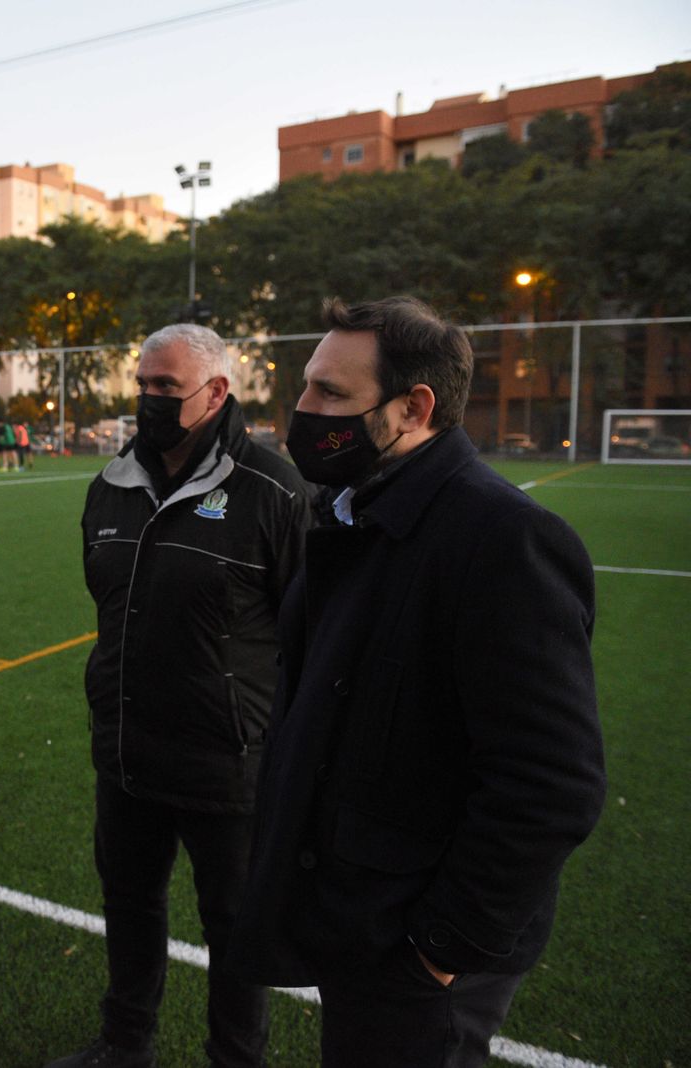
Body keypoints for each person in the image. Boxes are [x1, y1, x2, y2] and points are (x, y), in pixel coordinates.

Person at [230, 297, 606, 1067]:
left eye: (331, 394)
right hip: (362, 921)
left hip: (419, 953)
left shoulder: (501, 538)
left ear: (414, 407)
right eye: (306, 387)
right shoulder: (349, 515)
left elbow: (551, 784)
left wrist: (436, 951)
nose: (301, 411)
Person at [49, 324, 312, 1068]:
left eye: (167, 388)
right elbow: (108, 606)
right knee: (130, 908)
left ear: (217, 392)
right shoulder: (112, 485)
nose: (149, 401)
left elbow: (308, 630)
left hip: (228, 761)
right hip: (128, 748)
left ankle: (236, 1059)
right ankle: (123, 1044)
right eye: (143, 386)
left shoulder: (271, 489)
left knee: (233, 926)